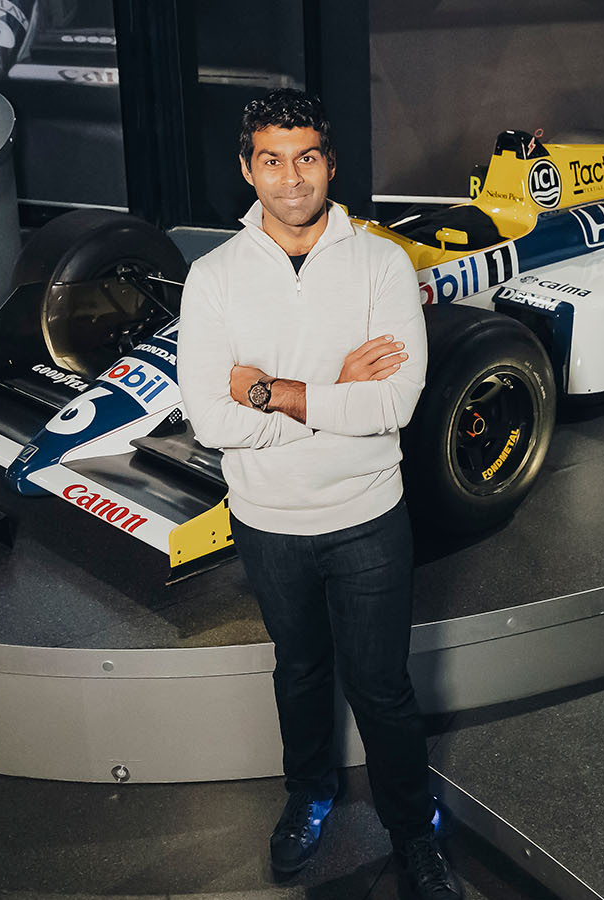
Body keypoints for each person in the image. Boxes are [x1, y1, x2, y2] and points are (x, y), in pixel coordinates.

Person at [177, 89, 459, 900]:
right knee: (298, 671)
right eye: (272, 159)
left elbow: (393, 407)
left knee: (381, 687)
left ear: (330, 164)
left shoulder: (381, 264)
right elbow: (210, 419)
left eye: (306, 157)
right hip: (267, 523)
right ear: (248, 169)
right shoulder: (214, 277)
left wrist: (272, 392)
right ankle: (309, 796)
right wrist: (331, 394)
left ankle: (414, 831)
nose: (291, 177)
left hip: (368, 518)